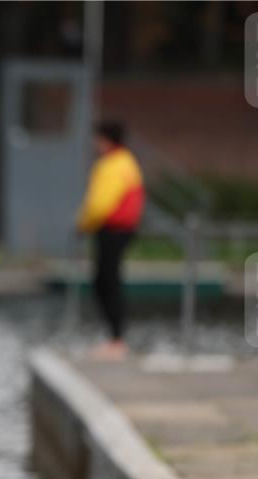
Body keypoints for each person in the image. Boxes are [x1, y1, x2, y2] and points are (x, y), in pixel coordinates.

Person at [76, 120, 144, 361]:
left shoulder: (111, 165)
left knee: (107, 282)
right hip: (122, 229)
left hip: (111, 230)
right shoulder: (128, 162)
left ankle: (117, 340)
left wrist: (82, 224)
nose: (95, 144)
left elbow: (100, 203)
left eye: (97, 139)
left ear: (106, 139)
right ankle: (116, 338)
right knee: (108, 280)